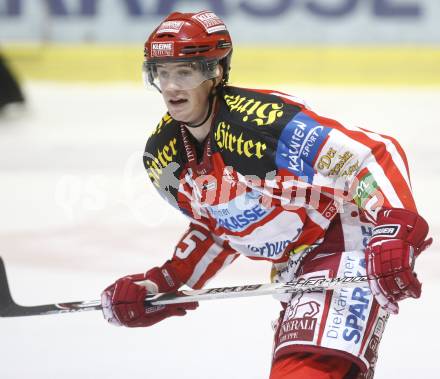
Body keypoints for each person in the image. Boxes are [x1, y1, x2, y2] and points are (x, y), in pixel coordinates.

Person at [101, 11, 432, 379]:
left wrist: (395, 230)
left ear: (216, 72)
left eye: (185, 72)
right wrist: (165, 281)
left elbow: (371, 153)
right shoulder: (163, 157)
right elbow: (220, 228)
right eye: (162, 72)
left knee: (304, 371)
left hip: (345, 240)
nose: (171, 87)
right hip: (295, 269)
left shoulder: (260, 124)